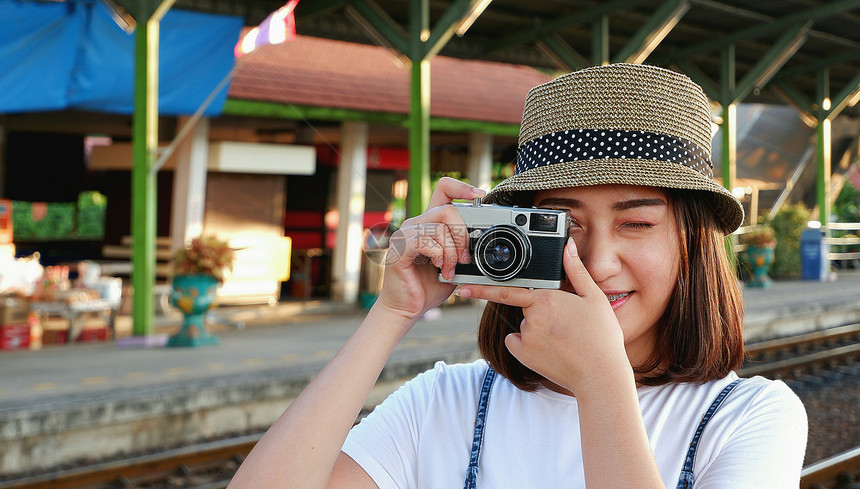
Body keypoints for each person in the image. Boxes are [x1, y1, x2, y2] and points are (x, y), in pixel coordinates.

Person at [227, 63, 807, 488]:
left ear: (692, 243)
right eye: (565, 227)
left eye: (635, 224)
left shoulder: (749, 417)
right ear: (519, 237)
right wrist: (394, 313)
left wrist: (601, 381)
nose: (599, 263)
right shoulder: (445, 403)